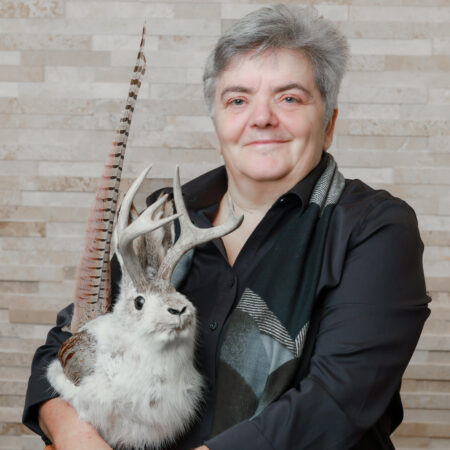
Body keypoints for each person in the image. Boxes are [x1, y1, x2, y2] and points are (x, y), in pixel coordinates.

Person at [23, 5, 430, 449]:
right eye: (237, 100)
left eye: (289, 98)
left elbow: (336, 403)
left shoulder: (375, 229)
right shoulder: (161, 221)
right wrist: (75, 434)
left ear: (329, 124)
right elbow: (67, 345)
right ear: (217, 127)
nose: (262, 118)